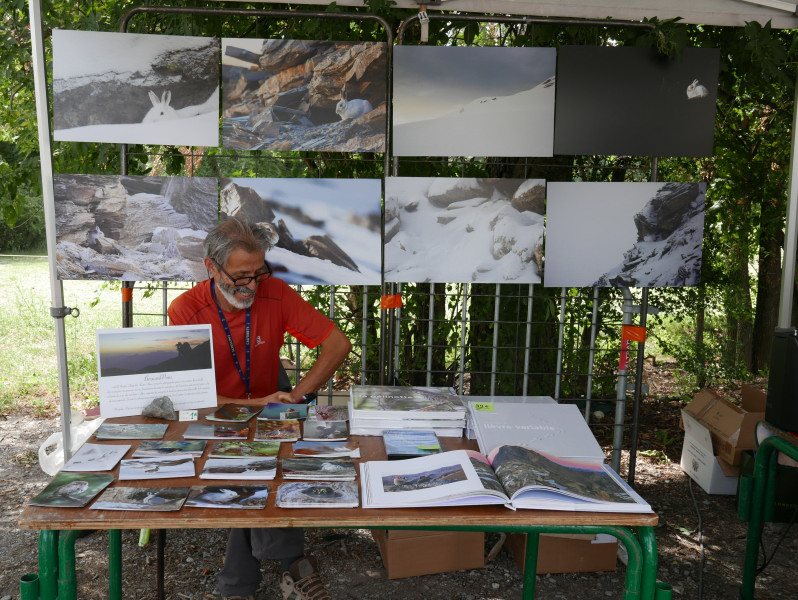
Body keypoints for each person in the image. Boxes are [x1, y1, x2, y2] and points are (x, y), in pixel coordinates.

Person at [168, 215, 351, 600]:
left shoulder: (277, 292)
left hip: (272, 408)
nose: (251, 285)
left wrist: (297, 394)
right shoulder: (185, 310)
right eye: (240, 276)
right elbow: (188, 395)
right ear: (211, 267)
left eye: (258, 272)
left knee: (263, 462)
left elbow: (338, 344)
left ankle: (239, 585)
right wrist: (252, 404)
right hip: (213, 415)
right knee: (252, 467)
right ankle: (291, 567)